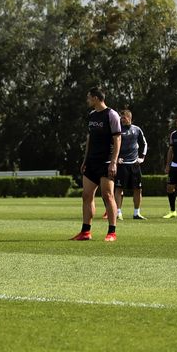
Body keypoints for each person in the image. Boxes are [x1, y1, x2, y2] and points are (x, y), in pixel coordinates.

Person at [71, 87, 122, 242]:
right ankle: (86, 232)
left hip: (106, 161)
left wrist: (113, 162)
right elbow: (89, 139)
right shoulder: (92, 115)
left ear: (95, 98)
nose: (87, 100)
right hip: (92, 161)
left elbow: (117, 139)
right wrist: (85, 160)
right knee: (86, 196)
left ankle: (112, 232)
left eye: (89, 97)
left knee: (107, 195)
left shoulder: (111, 115)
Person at [115, 108, 148, 221]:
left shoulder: (137, 129)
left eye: (124, 117)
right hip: (122, 164)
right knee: (119, 189)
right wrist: (115, 158)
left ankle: (136, 213)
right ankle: (118, 213)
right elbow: (111, 145)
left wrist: (142, 158)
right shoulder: (117, 130)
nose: (122, 120)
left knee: (138, 189)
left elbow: (144, 143)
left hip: (134, 164)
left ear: (130, 118)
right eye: (121, 118)